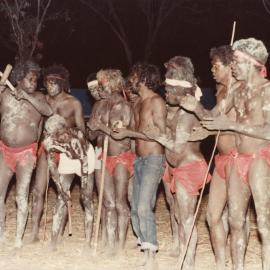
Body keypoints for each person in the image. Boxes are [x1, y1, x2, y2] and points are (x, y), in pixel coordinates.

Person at [201, 38, 270, 270]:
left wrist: (234, 126)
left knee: (263, 221)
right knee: (235, 219)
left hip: (260, 158)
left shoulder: (267, 90)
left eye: (237, 61)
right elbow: (213, 117)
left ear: (252, 63)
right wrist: (193, 108)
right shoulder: (236, 91)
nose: (233, 66)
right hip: (237, 160)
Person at [143, 57, 210, 270]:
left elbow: (178, 147)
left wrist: (158, 136)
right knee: (178, 214)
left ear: (183, 92)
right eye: (166, 88)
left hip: (189, 167)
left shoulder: (189, 114)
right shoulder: (175, 111)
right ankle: (181, 252)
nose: (166, 93)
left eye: (171, 89)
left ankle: (188, 262)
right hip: (174, 167)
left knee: (187, 217)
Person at [180, 46, 243, 270]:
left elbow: (214, 116)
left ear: (230, 66)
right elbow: (212, 119)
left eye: (216, 66)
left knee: (237, 218)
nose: (212, 70)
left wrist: (197, 108)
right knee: (212, 216)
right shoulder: (220, 90)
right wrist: (204, 130)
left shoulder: (239, 89)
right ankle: (220, 263)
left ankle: (238, 265)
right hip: (222, 159)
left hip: (239, 159)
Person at [111, 63, 166, 268]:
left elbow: (161, 135)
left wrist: (129, 133)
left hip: (153, 159)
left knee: (144, 206)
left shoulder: (156, 102)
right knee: (135, 207)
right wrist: (122, 129)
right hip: (138, 160)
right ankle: (144, 244)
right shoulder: (137, 103)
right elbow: (134, 132)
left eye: (133, 76)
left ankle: (151, 255)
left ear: (143, 78)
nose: (129, 79)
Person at [31, 65, 88, 243]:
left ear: (62, 83)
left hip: (66, 151)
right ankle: (33, 233)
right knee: (38, 190)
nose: (49, 86)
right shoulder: (42, 100)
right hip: (46, 149)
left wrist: (67, 135)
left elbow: (82, 130)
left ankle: (60, 233)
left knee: (64, 192)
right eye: (47, 82)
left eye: (53, 82)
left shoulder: (73, 103)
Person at [0, 60, 52, 248]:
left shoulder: (38, 97)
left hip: (26, 153)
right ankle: (1, 235)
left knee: (21, 196)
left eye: (36, 80)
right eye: (30, 79)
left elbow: (49, 111)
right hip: (4, 150)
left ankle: (18, 239)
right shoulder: (5, 93)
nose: (34, 83)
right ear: (19, 78)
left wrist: (26, 97)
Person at [87, 69, 135, 253]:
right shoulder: (99, 106)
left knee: (120, 202)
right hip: (101, 156)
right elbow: (92, 134)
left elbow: (121, 137)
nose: (99, 88)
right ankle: (108, 242)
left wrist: (101, 127)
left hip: (120, 157)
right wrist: (93, 129)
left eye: (102, 84)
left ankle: (120, 246)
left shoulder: (125, 107)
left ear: (114, 84)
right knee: (108, 203)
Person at [42, 114, 95, 249]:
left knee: (86, 199)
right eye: (50, 134)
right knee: (61, 199)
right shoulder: (49, 141)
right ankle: (54, 240)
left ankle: (88, 242)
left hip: (85, 157)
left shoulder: (75, 138)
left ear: (62, 130)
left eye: (54, 134)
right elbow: (52, 166)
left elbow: (84, 162)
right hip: (67, 157)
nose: (52, 136)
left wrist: (83, 186)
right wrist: (60, 188)